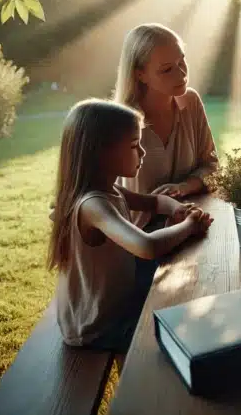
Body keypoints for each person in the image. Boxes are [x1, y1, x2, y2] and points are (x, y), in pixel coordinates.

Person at [47, 99, 213, 352]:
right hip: (99, 325)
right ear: (101, 153)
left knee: (183, 276)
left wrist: (177, 209)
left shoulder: (110, 189)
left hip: (118, 297)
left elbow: (155, 201)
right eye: (135, 146)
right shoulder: (93, 205)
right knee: (186, 326)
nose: (143, 153)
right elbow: (147, 246)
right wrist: (190, 225)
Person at [114, 23, 220, 226]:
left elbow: (212, 167)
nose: (181, 74)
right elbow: (99, 194)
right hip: (138, 236)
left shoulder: (190, 102)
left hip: (193, 223)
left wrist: (184, 187)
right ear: (140, 74)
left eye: (182, 61)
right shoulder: (119, 120)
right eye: (167, 69)